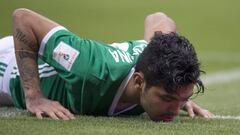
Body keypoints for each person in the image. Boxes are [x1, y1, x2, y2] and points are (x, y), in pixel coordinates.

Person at [0, 8, 213, 121]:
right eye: (167, 98)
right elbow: (22, 18)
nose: (175, 110)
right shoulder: (91, 68)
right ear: (139, 81)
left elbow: (158, 17)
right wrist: (34, 97)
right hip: (6, 67)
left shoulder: (156, 56)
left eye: (182, 99)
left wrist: (178, 95)